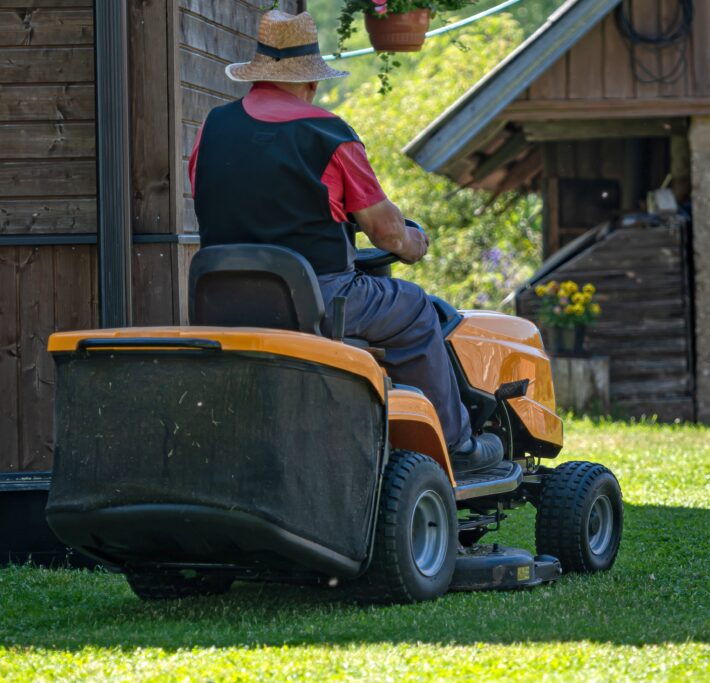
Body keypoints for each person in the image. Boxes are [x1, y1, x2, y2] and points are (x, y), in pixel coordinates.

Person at [188, 10, 502, 474]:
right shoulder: (328, 134)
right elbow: (386, 231)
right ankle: (457, 446)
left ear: (255, 76)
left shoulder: (211, 128)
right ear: (311, 82)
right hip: (315, 299)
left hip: (221, 300)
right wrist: (414, 242)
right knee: (415, 308)